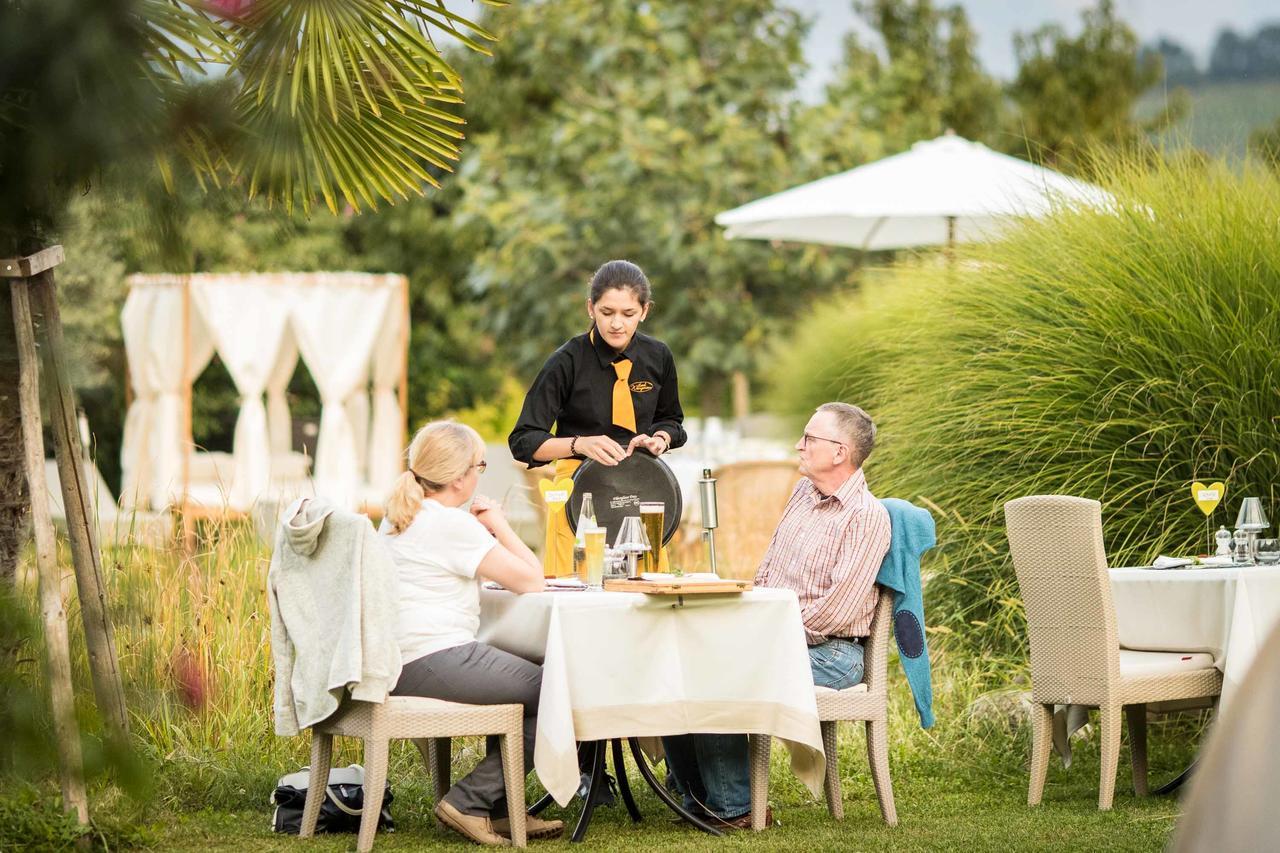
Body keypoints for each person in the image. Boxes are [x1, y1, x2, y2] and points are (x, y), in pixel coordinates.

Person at [661, 402, 892, 828]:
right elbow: (767, 573)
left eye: (809, 439)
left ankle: (738, 808)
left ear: (839, 452)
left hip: (834, 654)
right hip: (781, 637)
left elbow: (836, 611)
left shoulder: (865, 517)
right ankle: (700, 799)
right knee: (681, 658)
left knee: (720, 674)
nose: (798, 446)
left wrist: (764, 638)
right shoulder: (804, 495)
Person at [380, 420, 563, 845]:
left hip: (403, 658)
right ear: (461, 476)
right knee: (559, 690)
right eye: (480, 465)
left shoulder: (399, 519)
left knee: (540, 675)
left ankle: (498, 809)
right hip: (432, 657)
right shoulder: (449, 524)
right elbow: (532, 580)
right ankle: (468, 800)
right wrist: (499, 522)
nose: (481, 473)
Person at [508, 259, 686, 573]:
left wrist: (660, 438)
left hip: (642, 493)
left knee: (646, 598)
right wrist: (579, 445)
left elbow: (672, 422)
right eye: (607, 312)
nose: (617, 324)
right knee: (576, 597)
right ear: (591, 308)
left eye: (628, 314)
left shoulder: (659, 356)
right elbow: (524, 441)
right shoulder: (566, 362)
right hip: (577, 496)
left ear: (644, 311)